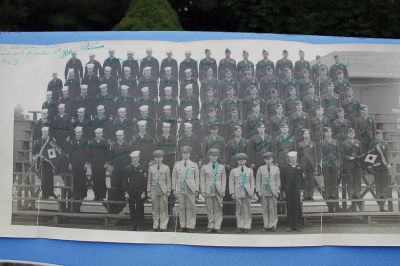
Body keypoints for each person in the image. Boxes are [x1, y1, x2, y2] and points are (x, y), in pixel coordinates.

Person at [172, 146, 200, 232]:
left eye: (187, 153)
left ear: (189, 154)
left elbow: (197, 178)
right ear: (181, 154)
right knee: (182, 207)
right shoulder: (177, 164)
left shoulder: (194, 165)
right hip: (180, 188)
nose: (185, 155)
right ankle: (183, 225)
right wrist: (174, 189)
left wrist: (196, 189)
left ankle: (190, 226)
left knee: (190, 207)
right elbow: (174, 177)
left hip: (191, 188)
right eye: (184, 153)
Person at [200, 148, 226, 233]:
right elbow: (202, 180)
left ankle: (217, 226)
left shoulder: (221, 167)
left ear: (217, 156)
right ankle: (210, 225)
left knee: (218, 208)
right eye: (212, 155)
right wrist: (203, 191)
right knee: (209, 208)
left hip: (218, 190)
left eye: (215, 156)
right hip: (208, 190)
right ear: (209, 156)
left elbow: (223, 180)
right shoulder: (205, 167)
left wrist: (223, 191)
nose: (213, 157)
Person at [229, 153, 255, 233]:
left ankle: (247, 226)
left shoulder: (249, 170)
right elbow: (231, 182)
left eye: (243, 159)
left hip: (247, 192)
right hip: (238, 191)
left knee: (247, 209)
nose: (241, 161)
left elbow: (252, 182)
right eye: (239, 160)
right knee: (239, 209)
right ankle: (240, 226)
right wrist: (232, 192)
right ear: (237, 161)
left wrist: (252, 192)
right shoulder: (234, 170)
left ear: (245, 160)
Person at [147, 150, 171, 232]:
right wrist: (148, 191)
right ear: (154, 158)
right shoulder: (151, 168)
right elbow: (149, 180)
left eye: (160, 158)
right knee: (155, 209)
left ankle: (163, 226)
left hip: (163, 191)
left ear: (162, 158)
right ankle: (155, 226)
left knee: (163, 209)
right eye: (157, 158)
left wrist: (168, 190)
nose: (158, 159)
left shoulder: (166, 167)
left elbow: (168, 180)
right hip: (154, 190)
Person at [256, 152, 280, 232]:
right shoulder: (261, 168)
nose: (268, 161)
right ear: (264, 160)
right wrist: (258, 190)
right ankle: (266, 225)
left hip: (273, 191)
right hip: (264, 190)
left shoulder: (276, 168)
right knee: (265, 209)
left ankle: (273, 225)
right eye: (266, 159)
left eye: (269, 159)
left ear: (272, 159)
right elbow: (258, 180)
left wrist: (277, 191)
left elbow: (278, 181)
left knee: (272, 209)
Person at [67, 126, 89, 213]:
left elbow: (87, 153)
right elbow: (70, 153)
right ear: (75, 133)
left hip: (82, 163)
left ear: (82, 133)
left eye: (80, 132)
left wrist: (86, 163)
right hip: (74, 163)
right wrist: (70, 163)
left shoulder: (85, 141)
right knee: (75, 179)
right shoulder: (72, 142)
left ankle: (82, 194)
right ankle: (76, 194)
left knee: (82, 179)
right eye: (77, 132)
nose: (78, 134)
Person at [108, 130, 131, 214]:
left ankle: (121, 206)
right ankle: (115, 209)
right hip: (116, 170)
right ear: (116, 137)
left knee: (124, 186)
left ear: (123, 136)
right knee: (116, 187)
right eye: (118, 136)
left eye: (121, 135)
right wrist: (111, 166)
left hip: (124, 170)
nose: (120, 137)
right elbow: (110, 157)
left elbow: (129, 158)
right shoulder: (113, 145)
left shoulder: (127, 146)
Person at [341, 128, 364, 212]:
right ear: (348, 134)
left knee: (357, 180)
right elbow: (342, 154)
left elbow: (361, 154)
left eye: (352, 133)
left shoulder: (358, 142)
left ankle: (357, 194)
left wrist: (356, 157)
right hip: (348, 164)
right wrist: (348, 157)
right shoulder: (344, 143)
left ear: (354, 134)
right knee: (350, 180)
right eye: (350, 133)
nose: (351, 134)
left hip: (357, 164)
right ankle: (350, 194)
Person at [370, 130, 393, 212]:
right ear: (375, 136)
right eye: (377, 136)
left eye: (379, 135)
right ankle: (380, 204)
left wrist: (389, 163)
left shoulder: (385, 143)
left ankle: (382, 204)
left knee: (384, 185)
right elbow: (370, 155)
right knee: (378, 185)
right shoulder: (373, 144)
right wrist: (371, 165)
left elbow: (388, 154)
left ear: (382, 135)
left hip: (384, 167)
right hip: (376, 167)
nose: (378, 137)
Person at [124, 150, 147, 231]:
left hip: (140, 191)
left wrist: (144, 192)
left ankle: (140, 225)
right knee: (131, 208)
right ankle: (133, 224)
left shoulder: (143, 167)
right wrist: (126, 192)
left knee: (140, 208)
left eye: (136, 157)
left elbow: (145, 181)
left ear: (139, 158)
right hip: (131, 191)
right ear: (132, 158)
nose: (135, 159)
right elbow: (125, 181)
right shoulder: (128, 168)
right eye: (133, 158)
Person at [32, 127, 57, 200]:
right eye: (43, 132)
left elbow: (53, 151)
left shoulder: (51, 141)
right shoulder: (39, 141)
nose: (45, 133)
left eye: (46, 132)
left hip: (49, 162)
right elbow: (34, 150)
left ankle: (51, 192)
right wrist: (34, 156)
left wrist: (51, 159)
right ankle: (44, 194)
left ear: (48, 132)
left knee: (50, 178)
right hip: (42, 162)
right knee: (43, 179)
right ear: (42, 133)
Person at [281, 151, 303, 232]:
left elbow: (302, 180)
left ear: (296, 158)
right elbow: (283, 180)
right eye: (291, 158)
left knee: (297, 207)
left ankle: (297, 225)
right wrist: (283, 191)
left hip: (296, 191)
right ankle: (290, 225)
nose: (293, 159)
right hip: (288, 191)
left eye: (294, 157)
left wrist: (301, 190)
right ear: (289, 159)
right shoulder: (286, 168)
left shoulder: (299, 167)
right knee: (289, 207)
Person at [321, 127, 341, 213]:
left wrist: (338, 163)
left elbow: (338, 153)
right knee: (327, 180)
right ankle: (328, 195)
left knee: (334, 180)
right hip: (326, 163)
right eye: (327, 132)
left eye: (329, 132)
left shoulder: (335, 142)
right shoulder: (322, 142)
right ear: (324, 134)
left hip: (334, 163)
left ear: (331, 133)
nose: (328, 134)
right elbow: (320, 153)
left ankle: (333, 194)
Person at [89, 128, 110, 201]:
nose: (98, 135)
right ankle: (96, 195)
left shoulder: (105, 142)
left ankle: (102, 195)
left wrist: (107, 162)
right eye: (97, 133)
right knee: (95, 180)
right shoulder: (92, 142)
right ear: (95, 134)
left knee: (102, 179)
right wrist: (89, 162)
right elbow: (90, 154)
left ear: (102, 134)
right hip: (94, 164)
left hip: (102, 164)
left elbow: (108, 153)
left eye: (100, 133)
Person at [297, 129, 317, 200]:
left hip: (311, 164)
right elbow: (298, 156)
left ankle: (310, 195)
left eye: (307, 134)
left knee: (311, 181)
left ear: (309, 135)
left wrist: (315, 165)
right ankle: (305, 195)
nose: (306, 135)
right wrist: (299, 165)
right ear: (303, 135)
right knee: (304, 180)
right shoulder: (300, 144)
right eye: (305, 134)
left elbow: (315, 155)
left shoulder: (313, 144)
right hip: (303, 164)